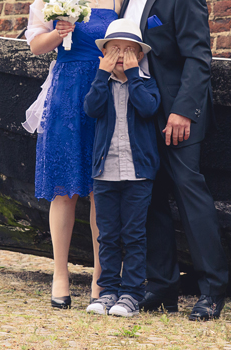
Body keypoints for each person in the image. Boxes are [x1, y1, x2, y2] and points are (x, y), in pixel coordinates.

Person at [116, 0, 229, 321]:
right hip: (141, 112)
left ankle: (212, 292)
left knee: (189, 195)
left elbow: (199, 58)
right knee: (151, 201)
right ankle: (161, 287)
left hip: (179, 115)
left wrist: (182, 111)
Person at [24, 0, 123, 308]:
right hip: (67, 92)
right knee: (65, 186)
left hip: (105, 91)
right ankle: (60, 274)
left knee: (102, 186)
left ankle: (101, 279)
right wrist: (59, 32)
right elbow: (35, 45)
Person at [82, 19, 160, 317]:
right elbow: (91, 108)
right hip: (105, 172)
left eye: (128, 51)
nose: (120, 56)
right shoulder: (101, 81)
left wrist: (132, 75)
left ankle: (131, 294)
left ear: (139, 56)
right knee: (108, 235)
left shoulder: (147, 83)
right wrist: (102, 74)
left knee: (134, 234)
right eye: (114, 50)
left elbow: (148, 108)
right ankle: (107, 291)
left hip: (138, 173)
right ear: (104, 55)